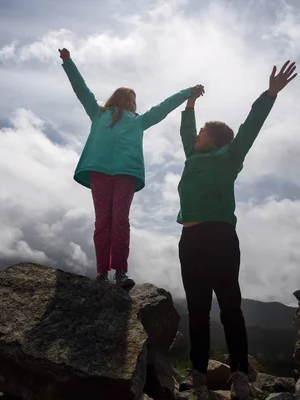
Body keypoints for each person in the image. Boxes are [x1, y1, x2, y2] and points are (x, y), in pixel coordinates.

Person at [176, 61, 297, 399]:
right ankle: (198, 375)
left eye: (203, 133)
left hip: (220, 238)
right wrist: (190, 104)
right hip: (189, 240)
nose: (197, 135)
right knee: (197, 310)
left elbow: (249, 128)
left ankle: (240, 375)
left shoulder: (229, 156)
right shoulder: (192, 158)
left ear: (214, 140)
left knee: (230, 308)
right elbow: (187, 132)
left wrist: (269, 95)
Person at [59, 47, 204, 289]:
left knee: (115, 220)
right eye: (132, 99)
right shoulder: (99, 113)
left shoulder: (138, 121)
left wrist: (187, 93)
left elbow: (164, 107)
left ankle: (118, 272)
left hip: (122, 173)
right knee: (106, 220)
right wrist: (68, 63)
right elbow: (82, 90)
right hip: (105, 171)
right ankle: (105, 272)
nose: (133, 103)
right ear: (123, 100)